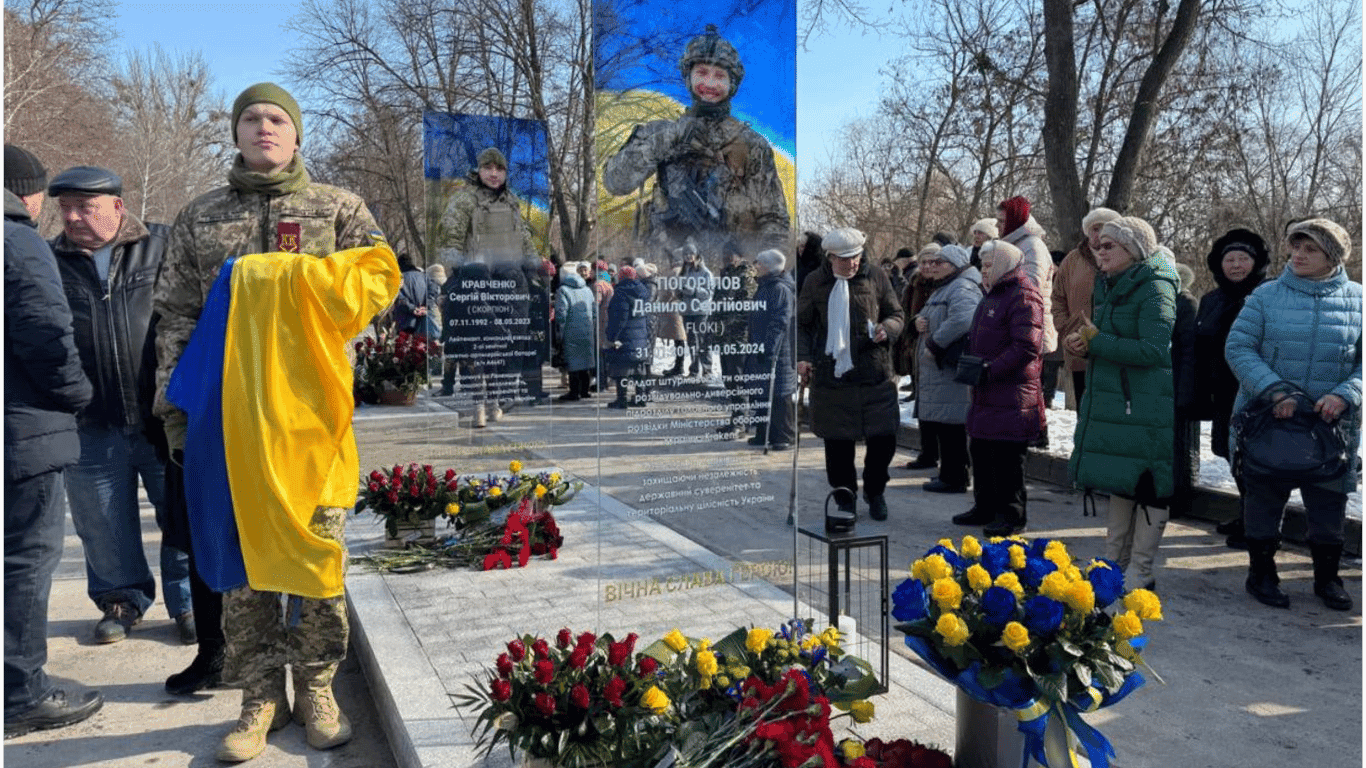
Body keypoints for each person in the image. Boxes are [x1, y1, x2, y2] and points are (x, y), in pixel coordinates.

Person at [153, 82, 390, 760]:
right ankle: (260, 697)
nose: (264, 127)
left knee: (316, 558)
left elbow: (379, 279)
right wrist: (176, 412)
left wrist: (286, 278)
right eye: (252, 118)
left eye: (277, 118)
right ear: (235, 132)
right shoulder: (200, 217)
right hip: (229, 423)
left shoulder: (339, 209)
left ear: (297, 134)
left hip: (313, 424)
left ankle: (317, 687)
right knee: (241, 564)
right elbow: (175, 318)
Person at [45, 166, 193, 646]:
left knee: (180, 513)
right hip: (90, 421)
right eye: (65, 207)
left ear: (117, 207)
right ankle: (120, 599)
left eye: (84, 207)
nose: (72, 217)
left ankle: (188, 601)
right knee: (101, 523)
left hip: (161, 416)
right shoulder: (49, 261)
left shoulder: (162, 246)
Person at [4, 180, 103, 739]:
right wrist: (75, 395)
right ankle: (21, 695)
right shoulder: (18, 241)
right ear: (28, 194)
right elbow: (46, 332)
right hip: (22, 435)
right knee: (23, 562)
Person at [1226, 218, 1361, 612]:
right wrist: (1274, 391)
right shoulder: (1266, 296)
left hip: (1332, 429)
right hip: (1271, 422)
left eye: (1310, 249)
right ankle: (1262, 574)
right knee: (1264, 502)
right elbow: (1239, 348)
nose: (1298, 256)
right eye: (1295, 247)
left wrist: (1346, 394)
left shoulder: (1358, 299)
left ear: (1332, 256)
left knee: (1328, 508)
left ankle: (1328, 579)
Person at [603, 24, 789, 267]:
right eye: (701, 72)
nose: (709, 83)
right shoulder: (659, 133)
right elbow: (615, 182)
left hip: (730, 279)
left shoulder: (751, 145)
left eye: (720, 76)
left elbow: (774, 218)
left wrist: (761, 271)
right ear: (688, 76)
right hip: (666, 278)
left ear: (732, 83)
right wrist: (667, 140)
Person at [1064, 216, 1178, 591]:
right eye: (1099, 245)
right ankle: (1114, 562)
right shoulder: (1114, 283)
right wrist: (1082, 342)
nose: (1100, 250)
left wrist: (1097, 343)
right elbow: (1109, 337)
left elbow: (1153, 348)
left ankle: (1141, 570)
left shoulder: (1155, 287)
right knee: (1121, 479)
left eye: (1109, 245)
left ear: (1133, 249)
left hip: (1143, 403)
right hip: (1118, 399)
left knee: (1146, 483)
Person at [796, 227, 905, 522]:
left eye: (855, 257)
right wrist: (803, 358)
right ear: (829, 257)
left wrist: (889, 328)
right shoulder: (815, 282)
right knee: (838, 445)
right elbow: (802, 325)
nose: (852, 264)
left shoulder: (876, 277)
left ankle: (875, 489)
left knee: (884, 439)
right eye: (844, 259)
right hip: (833, 377)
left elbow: (896, 314)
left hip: (874, 372)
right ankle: (845, 496)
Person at [957, 239, 1045, 536]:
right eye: (982, 265)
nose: (983, 270)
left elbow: (1026, 347)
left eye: (989, 264)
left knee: (1007, 459)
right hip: (986, 390)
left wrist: (990, 369)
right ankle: (985, 507)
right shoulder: (992, 293)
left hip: (1011, 393)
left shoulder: (1024, 294)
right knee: (981, 450)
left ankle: (1011, 516)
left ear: (1005, 264)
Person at [1192, 228, 1270, 548]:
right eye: (1230, 259)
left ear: (1256, 262)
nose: (1236, 265)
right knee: (1230, 453)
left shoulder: (1268, 296)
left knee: (1255, 460)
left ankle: (1258, 526)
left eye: (1243, 258)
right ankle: (1245, 513)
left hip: (1256, 393)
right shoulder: (1211, 300)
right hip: (1222, 391)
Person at [912, 244, 982, 495]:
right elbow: (932, 314)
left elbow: (965, 317)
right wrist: (918, 321)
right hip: (939, 369)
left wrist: (934, 342)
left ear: (953, 265)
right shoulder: (947, 286)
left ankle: (955, 477)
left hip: (948, 367)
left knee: (952, 425)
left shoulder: (962, 287)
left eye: (938, 263)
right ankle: (949, 473)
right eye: (929, 263)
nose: (932, 267)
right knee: (946, 423)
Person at [1052, 207, 1121, 408]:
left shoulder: (1123, 259)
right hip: (1078, 343)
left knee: (1110, 409)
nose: (1097, 233)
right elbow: (1057, 297)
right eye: (1093, 228)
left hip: (1113, 347)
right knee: (1084, 409)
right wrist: (1065, 327)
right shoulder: (1072, 260)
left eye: (1103, 228)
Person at [437, 147, 536, 266]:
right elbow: (449, 245)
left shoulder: (511, 202)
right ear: (479, 171)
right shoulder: (465, 199)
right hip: (476, 278)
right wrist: (460, 274)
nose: (494, 174)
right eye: (488, 168)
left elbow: (525, 241)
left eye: (499, 169)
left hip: (513, 277)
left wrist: (535, 267)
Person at [896, 243, 943, 468]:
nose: (927, 266)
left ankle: (940, 453)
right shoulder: (913, 286)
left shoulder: (945, 286)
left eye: (933, 262)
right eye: (924, 262)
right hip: (915, 349)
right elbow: (904, 317)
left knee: (939, 405)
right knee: (922, 403)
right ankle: (928, 452)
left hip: (939, 350)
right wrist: (912, 329)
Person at [746, 248, 797, 451]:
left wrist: (769, 348)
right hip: (760, 346)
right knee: (761, 392)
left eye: (759, 263)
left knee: (779, 394)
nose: (756, 266)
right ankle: (762, 432)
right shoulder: (765, 285)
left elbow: (780, 321)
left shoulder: (779, 289)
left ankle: (783, 435)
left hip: (776, 350)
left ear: (768, 266)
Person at [997, 196, 1057, 357]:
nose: (997, 226)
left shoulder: (1032, 247)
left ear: (1014, 221)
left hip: (1032, 332)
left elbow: (1029, 290)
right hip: (1016, 327)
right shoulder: (1012, 245)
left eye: (1002, 221)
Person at [714, 240, 757, 435]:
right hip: (725, 336)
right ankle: (736, 419)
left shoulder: (746, 275)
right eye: (725, 254)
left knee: (737, 380)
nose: (727, 258)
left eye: (731, 254)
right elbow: (717, 304)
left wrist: (730, 324)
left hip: (739, 337)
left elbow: (745, 308)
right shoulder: (725, 275)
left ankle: (741, 422)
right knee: (729, 380)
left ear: (739, 256)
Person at [1169, 259, 1200, 518]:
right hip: (1164, 384)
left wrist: (1186, 390)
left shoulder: (1185, 303)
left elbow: (1190, 351)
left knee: (1181, 445)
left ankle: (1181, 498)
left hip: (1179, 383)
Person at [605, 266, 652, 408]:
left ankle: (622, 400)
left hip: (625, 336)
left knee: (622, 369)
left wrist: (612, 337)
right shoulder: (643, 291)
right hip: (641, 335)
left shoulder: (620, 293)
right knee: (638, 368)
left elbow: (619, 318)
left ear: (621, 277)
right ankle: (640, 397)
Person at [554, 261, 598, 402]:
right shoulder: (587, 289)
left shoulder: (563, 291)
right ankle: (584, 390)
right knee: (585, 360)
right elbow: (594, 311)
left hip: (571, 331)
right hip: (587, 329)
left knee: (573, 362)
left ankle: (574, 392)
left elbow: (561, 313)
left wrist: (559, 331)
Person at [676, 243, 715, 378]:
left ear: (696, 255)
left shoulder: (706, 273)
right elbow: (679, 289)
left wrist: (693, 291)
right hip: (687, 311)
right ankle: (694, 370)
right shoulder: (683, 271)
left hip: (701, 312)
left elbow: (709, 293)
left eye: (690, 254)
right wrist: (679, 291)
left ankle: (707, 370)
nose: (688, 256)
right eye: (685, 254)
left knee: (703, 340)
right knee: (692, 342)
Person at [391, 252, 436, 338]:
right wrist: (426, 306)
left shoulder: (399, 280)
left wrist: (413, 309)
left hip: (405, 323)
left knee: (405, 348)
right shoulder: (424, 276)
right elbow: (434, 290)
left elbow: (399, 298)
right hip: (424, 322)